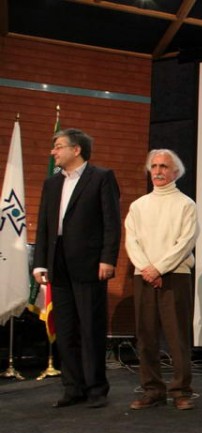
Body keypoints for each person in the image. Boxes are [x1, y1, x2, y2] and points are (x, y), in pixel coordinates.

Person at [33, 128, 121, 409]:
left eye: (58, 146)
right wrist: (40, 262)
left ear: (76, 149)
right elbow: (44, 225)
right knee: (66, 328)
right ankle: (73, 387)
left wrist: (108, 259)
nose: (53, 152)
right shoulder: (52, 183)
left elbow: (111, 222)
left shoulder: (101, 177)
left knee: (90, 327)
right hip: (58, 263)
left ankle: (96, 388)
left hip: (90, 265)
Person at [124, 149, 198, 411]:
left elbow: (186, 242)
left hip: (175, 275)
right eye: (154, 166)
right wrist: (148, 269)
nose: (158, 171)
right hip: (144, 275)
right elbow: (131, 241)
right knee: (146, 336)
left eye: (164, 166)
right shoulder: (138, 206)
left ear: (175, 172)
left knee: (178, 336)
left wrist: (159, 269)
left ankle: (180, 391)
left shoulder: (186, 204)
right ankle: (153, 390)